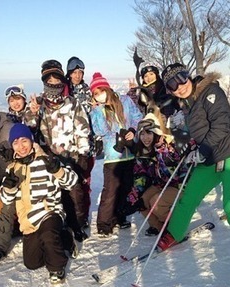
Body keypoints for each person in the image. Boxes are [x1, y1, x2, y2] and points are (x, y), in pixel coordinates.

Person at [0, 123, 78, 284]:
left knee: (48, 235)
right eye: (15, 142)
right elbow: (5, 200)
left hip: (49, 212)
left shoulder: (46, 160)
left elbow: (71, 182)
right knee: (32, 263)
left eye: (24, 140)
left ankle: (57, 269)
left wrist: (58, 170)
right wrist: (9, 188)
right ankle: (64, 238)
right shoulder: (12, 168)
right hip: (28, 221)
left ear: (31, 140)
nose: (21, 146)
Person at [157, 63, 230, 251]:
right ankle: (175, 233)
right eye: (172, 85)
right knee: (188, 198)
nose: (180, 87)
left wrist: (201, 151)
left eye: (181, 79)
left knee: (229, 205)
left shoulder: (210, 91)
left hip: (228, 155)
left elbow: (222, 124)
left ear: (187, 76)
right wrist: (189, 150)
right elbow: (193, 133)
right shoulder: (185, 103)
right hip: (208, 161)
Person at [25, 59, 91, 242]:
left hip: (70, 155)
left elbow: (82, 128)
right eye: (49, 82)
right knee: (52, 194)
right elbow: (28, 130)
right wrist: (32, 113)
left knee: (75, 191)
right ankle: (55, 226)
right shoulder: (37, 103)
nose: (54, 85)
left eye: (57, 82)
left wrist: (83, 153)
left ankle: (77, 224)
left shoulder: (72, 103)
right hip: (47, 158)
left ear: (63, 82)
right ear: (44, 83)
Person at [89, 72, 143, 237]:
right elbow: (100, 131)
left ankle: (121, 216)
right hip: (112, 154)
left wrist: (133, 131)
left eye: (101, 91)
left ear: (107, 88)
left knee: (126, 188)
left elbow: (137, 116)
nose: (99, 96)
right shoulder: (98, 110)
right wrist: (98, 111)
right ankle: (104, 223)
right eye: (95, 94)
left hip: (129, 152)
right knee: (110, 190)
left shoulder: (125, 100)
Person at [125, 113, 186, 236]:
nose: (145, 137)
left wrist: (161, 150)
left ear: (156, 133)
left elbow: (172, 171)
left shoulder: (168, 146)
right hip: (160, 184)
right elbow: (140, 173)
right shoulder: (142, 152)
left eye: (149, 133)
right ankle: (157, 226)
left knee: (156, 203)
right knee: (141, 201)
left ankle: (173, 227)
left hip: (178, 185)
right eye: (142, 134)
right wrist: (135, 194)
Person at [66, 56, 94, 227]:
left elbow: (94, 117)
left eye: (80, 72)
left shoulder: (88, 91)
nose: (77, 75)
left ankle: (82, 218)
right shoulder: (63, 91)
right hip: (66, 145)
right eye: (74, 72)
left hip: (85, 146)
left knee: (84, 184)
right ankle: (69, 216)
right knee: (68, 184)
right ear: (68, 73)